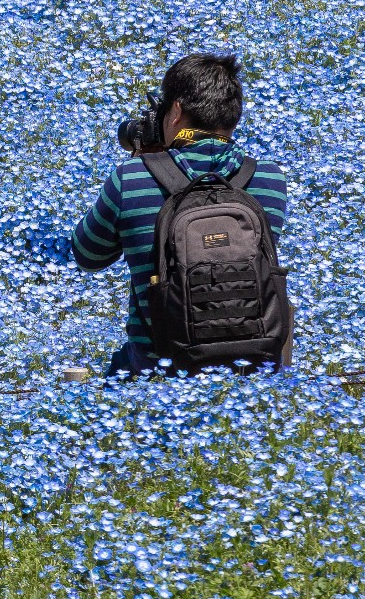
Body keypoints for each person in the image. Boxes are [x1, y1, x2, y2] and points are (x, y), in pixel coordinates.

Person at [70, 53, 291, 377]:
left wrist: (146, 162)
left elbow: (87, 255)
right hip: (250, 372)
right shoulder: (270, 180)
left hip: (157, 377)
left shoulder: (131, 178)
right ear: (233, 116)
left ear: (175, 110)